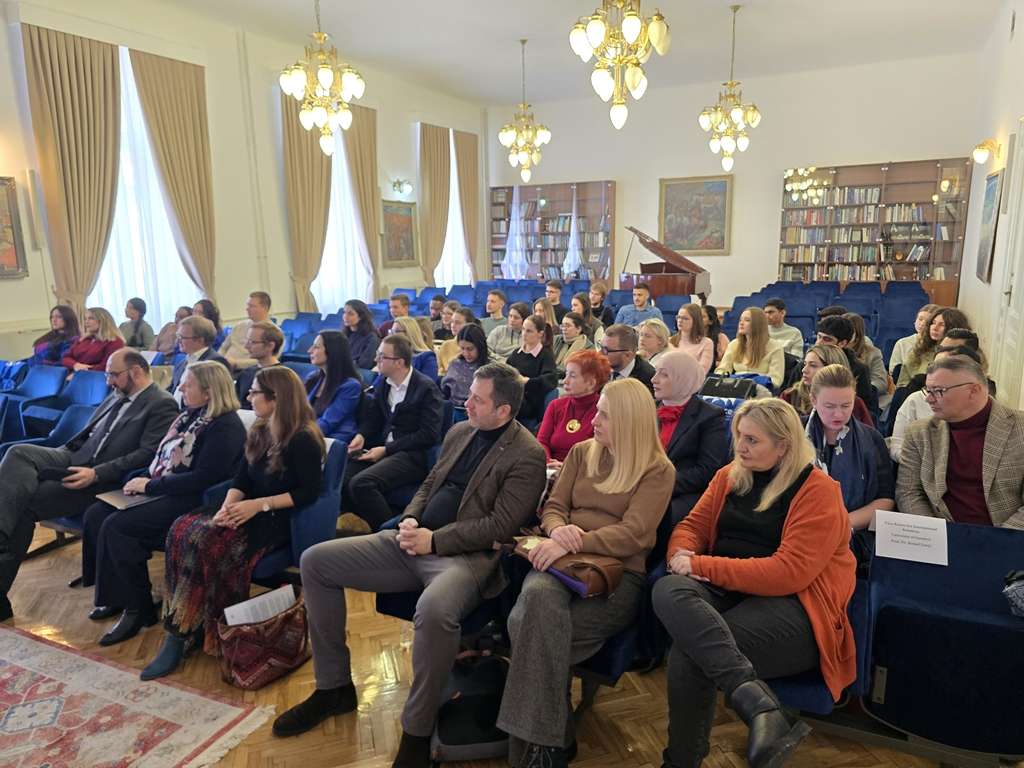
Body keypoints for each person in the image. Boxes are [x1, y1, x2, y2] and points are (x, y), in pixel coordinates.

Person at [271, 363, 547, 765]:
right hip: (413, 541)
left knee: (434, 609)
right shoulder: (460, 431)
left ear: (503, 411)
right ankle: (334, 688)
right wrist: (411, 519)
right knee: (315, 562)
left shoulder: (528, 454)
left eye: (477, 399)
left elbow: (500, 526)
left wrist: (435, 540)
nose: (466, 403)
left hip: (465, 559)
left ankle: (417, 728)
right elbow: (429, 483)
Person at [653, 398, 856, 768]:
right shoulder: (731, 475)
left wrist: (700, 564)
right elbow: (691, 527)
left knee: (689, 650)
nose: (740, 447)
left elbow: (787, 573)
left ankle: (680, 762)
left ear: (783, 446)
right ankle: (759, 704)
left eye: (752, 440)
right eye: (739, 437)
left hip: (794, 609)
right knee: (667, 588)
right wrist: (681, 553)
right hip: (727, 594)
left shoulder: (819, 491)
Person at [499, 378, 674, 766]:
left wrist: (574, 541)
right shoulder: (582, 452)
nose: (593, 420)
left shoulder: (657, 469)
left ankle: (537, 747)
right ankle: (546, 746)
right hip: (558, 562)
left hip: (616, 576)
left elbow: (635, 534)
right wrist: (557, 530)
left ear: (628, 421)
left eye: (605, 415)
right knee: (539, 609)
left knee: (527, 625)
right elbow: (553, 506)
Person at [140, 366, 325, 679]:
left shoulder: (303, 438)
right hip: (246, 507)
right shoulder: (260, 429)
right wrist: (227, 508)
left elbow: (307, 493)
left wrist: (257, 506)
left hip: (275, 517)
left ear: (276, 398)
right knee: (181, 529)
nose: (248, 397)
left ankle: (188, 631)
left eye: (254, 392)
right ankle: (188, 620)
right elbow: (241, 479)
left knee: (209, 542)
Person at [0, 349, 178, 620]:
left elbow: (146, 454)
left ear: (136, 371)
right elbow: (90, 435)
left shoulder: (161, 403)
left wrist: (96, 474)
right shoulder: (117, 394)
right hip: (73, 455)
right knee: (18, 452)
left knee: (25, 506)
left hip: (102, 475)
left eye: (113, 375)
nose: (108, 381)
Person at [82, 361, 246, 645]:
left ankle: (138, 609)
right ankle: (116, 597)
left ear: (209, 392)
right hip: (165, 488)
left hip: (191, 499)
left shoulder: (225, 426)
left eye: (188, 384)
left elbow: (204, 478)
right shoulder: (189, 416)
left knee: (119, 527)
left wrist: (149, 485)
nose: (180, 387)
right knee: (96, 514)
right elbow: (163, 459)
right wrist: (142, 479)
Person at [896, 355, 1024, 528]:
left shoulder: (1019, 429)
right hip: (940, 534)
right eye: (928, 390)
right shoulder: (919, 433)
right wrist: (934, 533)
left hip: (1006, 536)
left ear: (973, 390)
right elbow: (908, 492)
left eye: (939, 391)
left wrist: (997, 539)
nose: (928, 399)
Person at [343, 335, 443, 531]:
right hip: (384, 448)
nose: (376, 360)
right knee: (341, 476)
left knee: (362, 483)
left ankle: (390, 534)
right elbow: (374, 418)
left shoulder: (426, 389)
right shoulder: (384, 382)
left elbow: (428, 434)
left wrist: (387, 450)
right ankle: (363, 526)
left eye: (382, 356)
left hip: (412, 454)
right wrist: (362, 435)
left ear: (399, 362)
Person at [806, 364, 894, 563]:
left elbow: (885, 500)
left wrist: (841, 525)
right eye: (829, 406)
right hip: (800, 528)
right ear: (813, 400)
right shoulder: (794, 436)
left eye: (846, 405)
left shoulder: (871, 439)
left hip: (852, 534)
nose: (838, 414)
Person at [652, 350, 729, 525]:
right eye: (656, 372)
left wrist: (661, 484)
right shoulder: (647, 408)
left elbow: (708, 470)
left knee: (658, 517)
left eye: (664, 374)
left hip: (683, 492)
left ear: (683, 379)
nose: (654, 379)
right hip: (643, 486)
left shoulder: (710, 416)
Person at [888, 341, 988, 461]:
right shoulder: (916, 403)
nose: (935, 371)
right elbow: (897, 447)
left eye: (944, 366)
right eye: (933, 365)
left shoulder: (991, 417)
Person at [537, 349, 610, 466]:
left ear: (591, 383)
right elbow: (542, 442)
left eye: (572, 376)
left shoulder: (603, 411)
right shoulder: (555, 405)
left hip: (583, 470)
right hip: (551, 468)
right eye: (566, 374)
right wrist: (548, 462)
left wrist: (566, 467)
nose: (565, 381)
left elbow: (598, 455)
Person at [780, 344, 874, 426]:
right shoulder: (790, 396)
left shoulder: (854, 403)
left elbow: (867, 437)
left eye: (813, 365)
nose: (804, 370)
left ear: (831, 368)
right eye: (805, 364)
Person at [306, 331, 362, 444]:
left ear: (332, 351)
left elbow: (328, 423)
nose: (309, 350)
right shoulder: (313, 378)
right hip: (311, 434)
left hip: (332, 439)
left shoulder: (350, 386)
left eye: (316, 347)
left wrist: (297, 434)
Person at [814, 315, 877, 415]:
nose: (818, 343)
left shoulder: (858, 370)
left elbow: (863, 411)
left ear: (842, 343)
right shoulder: (806, 365)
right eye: (819, 337)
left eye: (827, 339)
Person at [897, 306, 970, 387]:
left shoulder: (963, 354)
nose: (935, 328)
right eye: (933, 323)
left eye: (942, 325)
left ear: (954, 328)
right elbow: (902, 383)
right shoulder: (920, 350)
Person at [506, 314, 558, 425]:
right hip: (514, 397)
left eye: (529, 331)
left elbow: (550, 380)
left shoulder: (545, 356)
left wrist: (527, 381)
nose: (524, 334)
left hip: (530, 403)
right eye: (523, 329)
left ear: (540, 334)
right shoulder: (516, 353)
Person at [716, 307, 785, 389]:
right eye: (740, 320)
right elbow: (722, 370)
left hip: (761, 389)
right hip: (734, 387)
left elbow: (776, 380)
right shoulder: (734, 344)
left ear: (758, 324)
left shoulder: (775, 347)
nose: (741, 323)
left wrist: (753, 383)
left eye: (747, 320)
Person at [169, 315, 229, 394]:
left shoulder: (215, 362)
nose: (178, 341)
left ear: (200, 340)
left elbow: (214, 395)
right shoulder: (181, 364)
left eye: (182, 337)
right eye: (178, 336)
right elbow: (170, 391)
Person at [218, 291, 274, 370]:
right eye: (248, 305)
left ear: (264, 308)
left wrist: (236, 363)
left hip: (245, 371)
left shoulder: (273, 332)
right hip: (224, 367)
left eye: (252, 306)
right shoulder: (239, 326)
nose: (247, 309)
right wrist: (219, 360)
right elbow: (223, 348)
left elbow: (267, 360)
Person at [440, 324, 490, 412]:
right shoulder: (455, 364)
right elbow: (444, 393)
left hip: (478, 411)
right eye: (462, 348)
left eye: (470, 349)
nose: (466, 353)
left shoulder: (490, 368)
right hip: (453, 409)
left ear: (480, 347)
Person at [62, 307, 125, 375]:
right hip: (75, 374)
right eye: (85, 319)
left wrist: (80, 372)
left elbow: (106, 366)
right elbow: (65, 358)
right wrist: (75, 365)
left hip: (95, 377)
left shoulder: (115, 342)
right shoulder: (83, 339)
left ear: (102, 320)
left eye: (91, 318)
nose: (86, 322)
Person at [236, 321, 284, 408]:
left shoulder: (280, 377)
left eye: (252, 342)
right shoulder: (246, 372)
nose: (246, 346)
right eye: (247, 341)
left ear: (270, 346)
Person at [601, 323, 654, 395]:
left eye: (606, 350)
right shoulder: (598, 368)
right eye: (601, 347)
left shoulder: (648, 379)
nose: (600, 353)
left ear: (627, 355)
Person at [843, 312, 887, 397]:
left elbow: (880, 383)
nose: (843, 335)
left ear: (857, 335)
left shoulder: (873, 354)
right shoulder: (830, 351)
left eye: (849, 332)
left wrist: (860, 388)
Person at [391, 316, 439, 381]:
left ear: (409, 333)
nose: (392, 336)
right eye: (391, 332)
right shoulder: (390, 356)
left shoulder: (427, 358)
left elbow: (428, 385)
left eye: (396, 331)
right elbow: (378, 384)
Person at [671, 303, 713, 374]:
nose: (680, 321)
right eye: (678, 317)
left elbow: (702, 371)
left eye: (685, 318)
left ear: (696, 321)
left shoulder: (706, 343)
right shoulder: (670, 341)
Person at [341, 300, 381, 371]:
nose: (345, 317)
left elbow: (365, 364)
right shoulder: (343, 335)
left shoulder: (371, 338)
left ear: (361, 317)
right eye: (344, 312)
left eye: (350, 314)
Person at [438, 308, 477, 375]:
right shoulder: (446, 345)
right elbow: (440, 371)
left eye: (458, 323)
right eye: (452, 322)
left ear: (469, 324)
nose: (453, 325)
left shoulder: (477, 345)